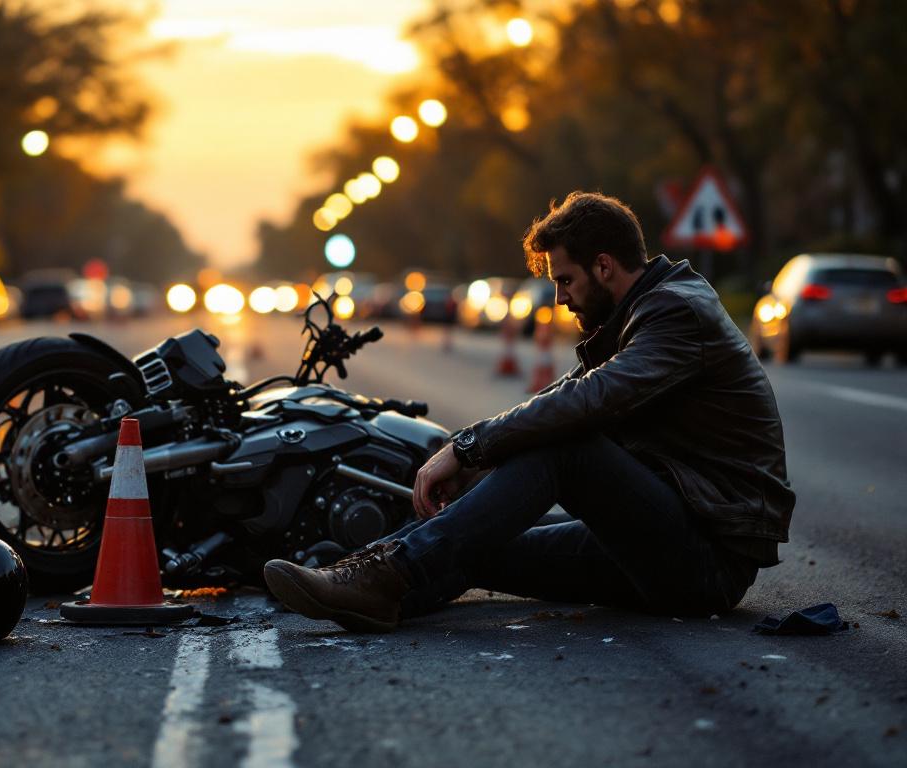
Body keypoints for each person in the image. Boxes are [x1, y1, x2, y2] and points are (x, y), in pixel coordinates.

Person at [264, 191, 795, 633]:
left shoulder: (677, 313)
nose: (560, 299)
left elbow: (585, 403)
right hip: (653, 541)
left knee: (568, 447)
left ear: (604, 266)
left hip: (706, 561)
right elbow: (564, 396)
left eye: (565, 280)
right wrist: (475, 459)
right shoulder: (636, 315)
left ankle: (382, 575)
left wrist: (467, 445)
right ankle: (369, 589)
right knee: (480, 538)